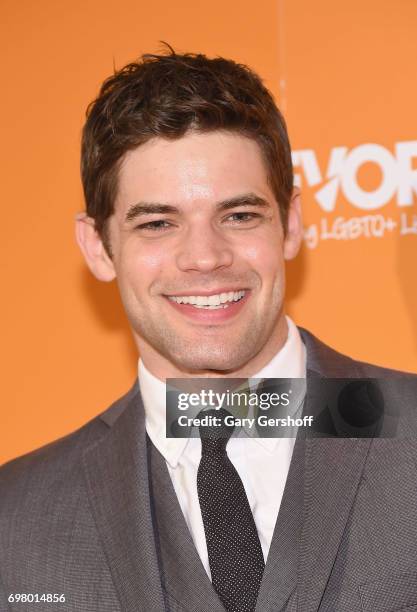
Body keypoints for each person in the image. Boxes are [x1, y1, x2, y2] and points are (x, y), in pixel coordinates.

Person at [0, 47, 416, 612]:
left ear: (290, 224)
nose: (204, 257)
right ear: (98, 247)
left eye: (239, 215)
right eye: (157, 223)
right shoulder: (17, 518)